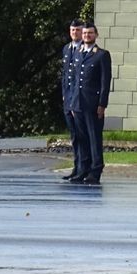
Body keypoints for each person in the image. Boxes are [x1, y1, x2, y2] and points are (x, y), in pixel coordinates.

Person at [66, 22, 111, 184]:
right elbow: (73, 80)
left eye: (90, 33)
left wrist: (102, 104)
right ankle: (83, 169)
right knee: (81, 138)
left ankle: (95, 169)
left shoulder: (102, 54)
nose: (87, 36)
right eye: (85, 33)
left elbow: (105, 82)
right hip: (78, 103)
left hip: (93, 104)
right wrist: (71, 103)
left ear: (96, 35)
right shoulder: (77, 53)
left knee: (94, 138)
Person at [61, 19, 84, 181]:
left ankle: (84, 167)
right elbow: (65, 76)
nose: (74, 33)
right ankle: (77, 167)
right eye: (72, 30)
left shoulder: (85, 49)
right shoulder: (67, 49)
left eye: (77, 30)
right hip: (68, 98)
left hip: (79, 100)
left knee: (83, 135)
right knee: (74, 136)